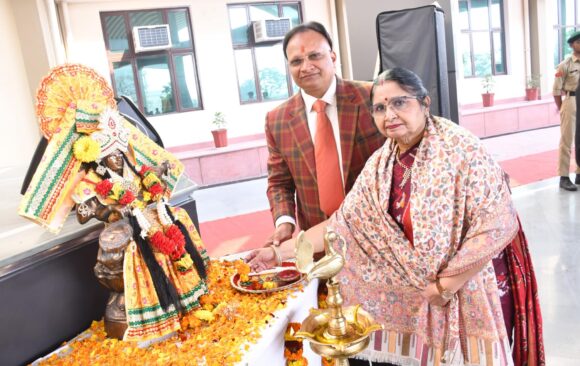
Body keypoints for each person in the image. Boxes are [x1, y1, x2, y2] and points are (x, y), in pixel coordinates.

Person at [248, 67, 544, 365]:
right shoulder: (381, 163)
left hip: (466, 289)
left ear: (424, 103)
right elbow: (341, 225)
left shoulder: (462, 150)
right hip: (424, 293)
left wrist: (446, 286)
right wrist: (277, 254)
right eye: (379, 108)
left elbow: (498, 221)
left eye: (399, 102)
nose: (388, 114)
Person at [264, 21, 385, 247]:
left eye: (314, 56)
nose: (306, 66)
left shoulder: (372, 97)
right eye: (297, 61)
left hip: (377, 235)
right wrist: (284, 222)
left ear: (333, 57)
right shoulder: (277, 120)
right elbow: (279, 181)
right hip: (318, 242)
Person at [553, 30, 580, 191]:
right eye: (579, 41)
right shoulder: (565, 64)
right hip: (571, 102)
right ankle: (564, 177)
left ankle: (579, 173)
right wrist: (562, 107)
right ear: (573, 45)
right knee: (567, 140)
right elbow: (556, 90)